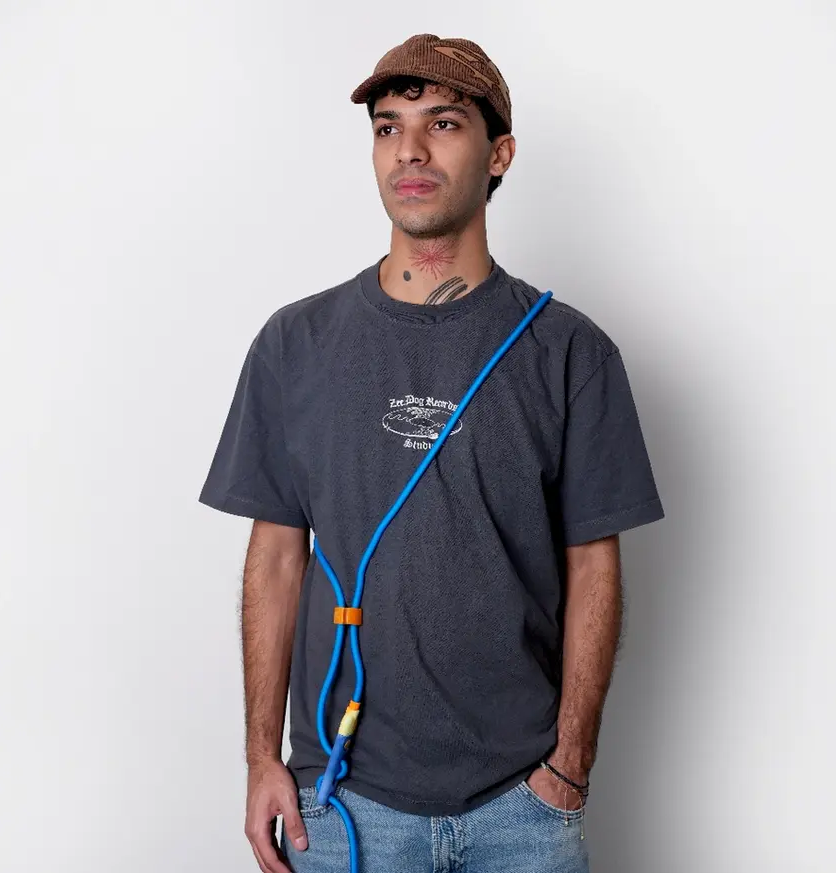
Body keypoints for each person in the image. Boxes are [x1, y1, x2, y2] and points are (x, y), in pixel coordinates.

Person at [198, 32, 665, 873]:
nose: (409, 150)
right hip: (340, 803)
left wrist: (567, 768)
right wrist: (262, 758)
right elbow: (274, 558)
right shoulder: (295, 343)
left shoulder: (570, 352)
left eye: (443, 123)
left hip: (522, 809)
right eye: (388, 127)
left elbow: (594, 566)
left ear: (499, 154)